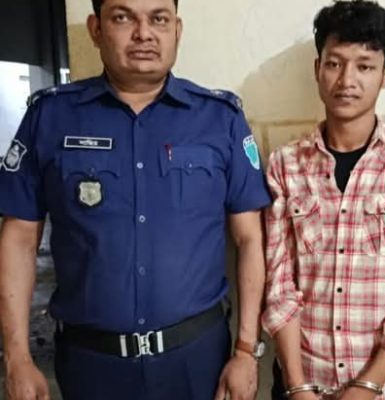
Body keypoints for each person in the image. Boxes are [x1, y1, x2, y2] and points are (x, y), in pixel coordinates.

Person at [0, 0, 270, 399]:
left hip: (197, 361)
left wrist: (247, 350)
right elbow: (19, 239)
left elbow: (250, 240)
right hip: (91, 364)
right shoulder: (50, 117)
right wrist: (17, 357)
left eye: (158, 19)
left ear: (177, 29)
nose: (144, 33)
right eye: (123, 17)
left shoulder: (220, 118)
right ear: (96, 28)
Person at [261, 1, 385, 399]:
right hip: (303, 382)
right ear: (318, 69)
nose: (347, 80)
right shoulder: (285, 164)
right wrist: (297, 385)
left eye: (364, 66)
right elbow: (279, 286)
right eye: (335, 64)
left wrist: (367, 385)